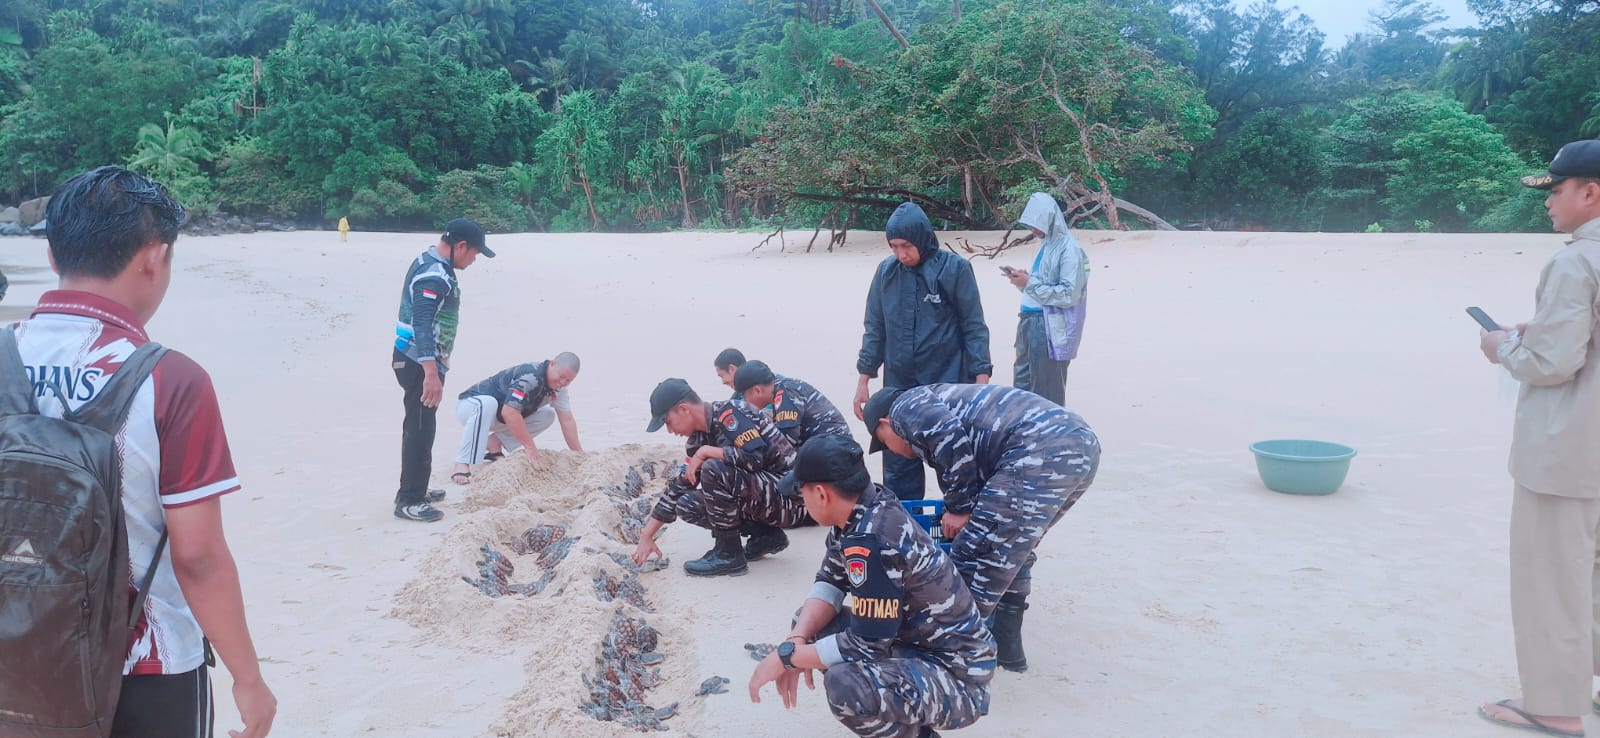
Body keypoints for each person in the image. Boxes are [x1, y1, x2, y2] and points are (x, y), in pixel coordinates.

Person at [8, 166, 275, 737]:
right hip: (144, 668)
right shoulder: (171, 381)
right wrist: (247, 679)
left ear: (54, 256)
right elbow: (198, 557)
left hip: (15, 650)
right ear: (154, 257)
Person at [747, 435, 994, 738]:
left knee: (846, 685)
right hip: (916, 645)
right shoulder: (863, 507)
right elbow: (830, 580)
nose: (802, 502)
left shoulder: (875, 540)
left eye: (802, 494)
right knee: (808, 622)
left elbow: (865, 644)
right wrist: (797, 640)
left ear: (822, 494)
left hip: (959, 678)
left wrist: (787, 658)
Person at [1476, 139, 1600, 738]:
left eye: (1554, 190)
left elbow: (1551, 363)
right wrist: (1544, 328)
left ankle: (1555, 707)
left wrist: (1504, 347)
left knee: (1553, 574)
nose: (1549, 202)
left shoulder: (1578, 261)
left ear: (1589, 192)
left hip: (1571, 450)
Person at [863, 383, 1100, 672]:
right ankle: (1008, 647)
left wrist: (959, 507)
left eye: (883, 442)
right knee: (1012, 548)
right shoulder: (942, 399)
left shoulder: (905, 407)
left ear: (886, 423)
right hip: (1078, 446)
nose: (892, 452)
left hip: (1039, 448)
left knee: (975, 555)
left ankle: (960, 661)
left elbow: (948, 438)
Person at [854, 202, 992, 501]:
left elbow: (974, 327)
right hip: (899, 387)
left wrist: (981, 384)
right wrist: (864, 379)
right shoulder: (886, 273)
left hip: (946, 384)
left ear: (922, 238)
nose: (901, 254)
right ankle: (904, 530)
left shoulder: (955, 268)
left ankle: (962, 527)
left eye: (906, 246)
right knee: (899, 465)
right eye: (894, 246)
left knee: (954, 464)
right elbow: (875, 327)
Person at [633, 378, 809, 576]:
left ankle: (729, 554)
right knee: (686, 504)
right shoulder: (697, 441)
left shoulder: (731, 414)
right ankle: (765, 536)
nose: (671, 431)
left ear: (683, 409)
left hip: (792, 500)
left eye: (668, 422)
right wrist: (646, 535)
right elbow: (680, 486)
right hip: (766, 498)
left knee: (713, 468)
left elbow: (754, 458)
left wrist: (707, 452)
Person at [391, 218, 493, 523]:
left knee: (421, 424)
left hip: (415, 359)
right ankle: (409, 500)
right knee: (420, 429)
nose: (474, 261)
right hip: (418, 362)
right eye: (474, 254)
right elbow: (422, 324)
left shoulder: (428, 260)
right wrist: (431, 374)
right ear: (460, 246)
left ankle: (416, 488)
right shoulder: (434, 276)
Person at [1004, 193, 1088, 406]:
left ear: (1051, 220)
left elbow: (1069, 295)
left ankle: (1051, 437)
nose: (1033, 229)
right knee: (1023, 390)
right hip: (1029, 322)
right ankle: (1024, 436)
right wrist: (1024, 282)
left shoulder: (1069, 249)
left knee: (1046, 393)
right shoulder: (1047, 244)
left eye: (1037, 224)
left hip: (1048, 328)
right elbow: (1043, 286)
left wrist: (1029, 283)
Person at [449, 353, 584, 484]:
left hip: (500, 416)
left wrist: (579, 454)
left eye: (568, 380)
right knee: (488, 404)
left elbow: (567, 420)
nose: (563, 382)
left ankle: (494, 443)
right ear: (552, 364)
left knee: (547, 415)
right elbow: (510, 412)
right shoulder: (531, 376)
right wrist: (530, 448)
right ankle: (462, 462)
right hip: (471, 407)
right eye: (561, 377)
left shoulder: (559, 389)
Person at [734, 360, 851, 448]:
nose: (745, 401)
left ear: (757, 390)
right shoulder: (782, 388)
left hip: (835, 452)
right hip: (830, 449)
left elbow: (785, 444)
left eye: (744, 396)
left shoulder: (786, 394)